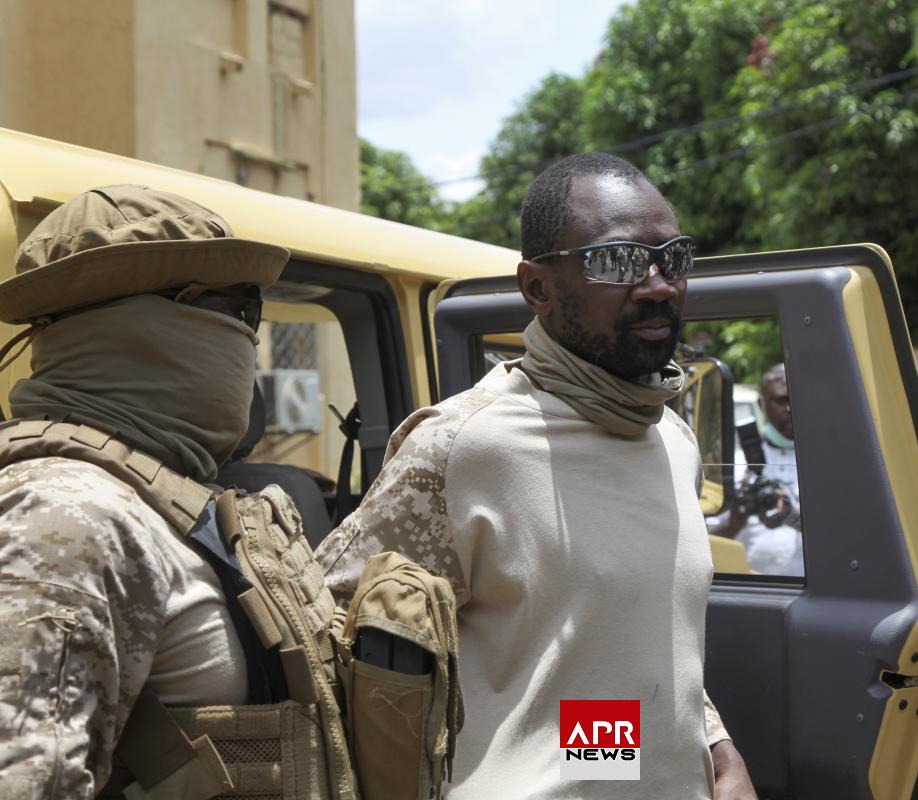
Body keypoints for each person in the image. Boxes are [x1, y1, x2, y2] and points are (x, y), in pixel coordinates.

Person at [318, 153, 755, 799]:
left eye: (674, 257)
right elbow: (330, 641)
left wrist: (715, 748)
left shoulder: (671, 440)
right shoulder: (466, 447)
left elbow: (608, 657)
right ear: (536, 288)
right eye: (619, 261)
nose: (660, 284)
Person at [0, 185, 331, 795]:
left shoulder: (168, 497)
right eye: (237, 310)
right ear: (143, 323)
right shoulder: (67, 515)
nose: (248, 339)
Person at [710, 363, 803, 575]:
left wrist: (793, 518)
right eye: (781, 400)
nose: (791, 408)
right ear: (762, 405)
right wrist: (735, 522)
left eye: (798, 398)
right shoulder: (736, 466)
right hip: (754, 592)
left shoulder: (828, 463)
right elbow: (703, 546)